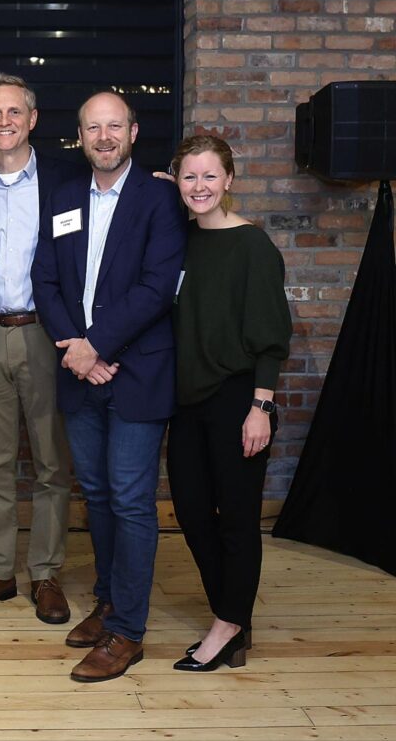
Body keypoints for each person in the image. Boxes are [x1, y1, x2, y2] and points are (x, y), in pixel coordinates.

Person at [31, 91, 186, 682]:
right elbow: (44, 279)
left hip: (138, 372)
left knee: (129, 499)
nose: (103, 137)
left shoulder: (159, 197)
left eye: (113, 127)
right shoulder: (65, 197)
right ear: (79, 134)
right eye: (92, 127)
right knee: (94, 494)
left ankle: (128, 632)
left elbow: (157, 286)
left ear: (134, 131)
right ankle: (109, 601)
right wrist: (76, 348)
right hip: (80, 371)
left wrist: (97, 346)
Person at [0, 73, 82, 625]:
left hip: (47, 335)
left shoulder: (67, 181)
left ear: (32, 119)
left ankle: (46, 573)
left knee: (52, 463)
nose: (4, 122)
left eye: (14, 112)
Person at [166, 135, 291, 672]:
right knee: (193, 515)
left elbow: (270, 337)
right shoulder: (180, 242)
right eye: (188, 177)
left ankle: (228, 624)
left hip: (239, 399)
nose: (199, 187)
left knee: (237, 519)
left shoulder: (253, 248)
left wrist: (261, 407)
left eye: (210, 176)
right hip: (187, 402)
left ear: (230, 181)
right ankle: (233, 612)